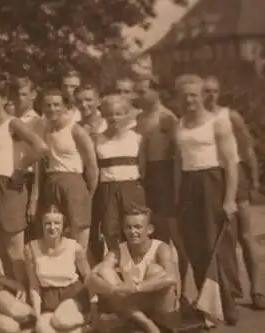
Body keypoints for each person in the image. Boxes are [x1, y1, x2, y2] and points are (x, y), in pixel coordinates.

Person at [174, 75, 239, 327]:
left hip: (212, 182)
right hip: (189, 186)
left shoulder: (217, 123)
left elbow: (231, 164)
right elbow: (180, 163)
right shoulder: (180, 124)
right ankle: (208, 309)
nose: (189, 100)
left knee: (215, 247)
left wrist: (229, 199)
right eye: (184, 95)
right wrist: (178, 193)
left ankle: (228, 307)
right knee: (195, 247)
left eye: (194, 95)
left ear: (202, 96)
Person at [0, 80, 48, 287]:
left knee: (14, 248)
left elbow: (41, 147)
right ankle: (12, 289)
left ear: (5, 100)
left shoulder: (13, 123)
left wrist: (20, 168)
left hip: (7, 186)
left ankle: (28, 292)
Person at [203, 76, 265, 310]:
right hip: (211, 179)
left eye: (214, 91)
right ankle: (228, 290)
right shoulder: (194, 120)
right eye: (206, 91)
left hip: (236, 176)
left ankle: (257, 289)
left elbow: (248, 150)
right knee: (221, 240)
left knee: (245, 236)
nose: (210, 96)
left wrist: (255, 182)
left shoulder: (230, 116)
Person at [133, 74, 189, 303]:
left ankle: (185, 291)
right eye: (138, 91)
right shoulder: (138, 119)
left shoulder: (167, 118)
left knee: (176, 237)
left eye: (143, 90)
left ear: (156, 91)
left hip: (166, 177)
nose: (140, 96)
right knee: (154, 237)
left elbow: (178, 155)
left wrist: (176, 189)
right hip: (146, 179)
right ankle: (160, 293)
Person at [86, 205, 179, 333]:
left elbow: (172, 277)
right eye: (128, 227)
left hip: (158, 304)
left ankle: (148, 321)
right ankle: (144, 322)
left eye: (138, 227)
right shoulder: (118, 250)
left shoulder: (160, 248)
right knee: (104, 270)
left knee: (155, 270)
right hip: (132, 304)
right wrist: (114, 289)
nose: (132, 231)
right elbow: (91, 277)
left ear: (150, 229)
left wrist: (137, 287)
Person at [41, 88, 98, 250]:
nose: (52, 109)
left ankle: (82, 273)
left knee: (78, 234)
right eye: (48, 105)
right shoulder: (46, 129)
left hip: (73, 183)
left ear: (66, 106)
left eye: (56, 105)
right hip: (52, 182)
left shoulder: (76, 130)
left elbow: (92, 166)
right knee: (55, 233)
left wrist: (89, 194)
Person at [92, 94, 146, 260]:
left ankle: (139, 269)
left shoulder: (136, 139)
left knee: (135, 230)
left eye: (118, 113)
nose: (113, 118)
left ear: (126, 115)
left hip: (131, 188)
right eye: (109, 114)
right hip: (108, 190)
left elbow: (143, 169)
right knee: (111, 231)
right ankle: (120, 270)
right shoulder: (97, 140)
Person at [24, 205, 93, 333]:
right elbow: (34, 286)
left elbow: (89, 277)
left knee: (60, 321)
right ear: (42, 225)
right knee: (42, 328)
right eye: (48, 223)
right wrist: (38, 316)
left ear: (63, 226)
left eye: (57, 223)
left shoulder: (74, 247)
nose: (52, 227)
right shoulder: (30, 249)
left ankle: (88, 321)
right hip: (48, 299)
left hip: (73, 294)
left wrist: (94, 307)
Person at [12, 76, 44, 233]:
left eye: (24, 94)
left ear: (33, 95)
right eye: (17, 94)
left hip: (27, 178)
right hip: (9, 176)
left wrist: (34, 197)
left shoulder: (37, 121)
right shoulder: (10, 119)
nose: (20, 99)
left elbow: (38, 161)